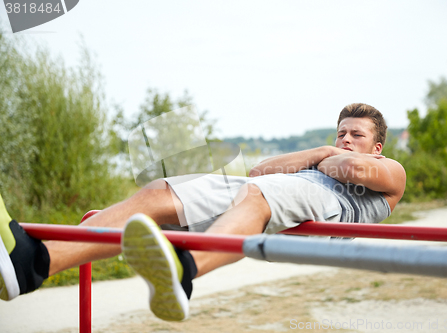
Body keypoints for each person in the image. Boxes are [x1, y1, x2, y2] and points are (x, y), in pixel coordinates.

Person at [0, 103, 406, 321]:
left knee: (255, 199)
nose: (346, 140)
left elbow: (352, 170)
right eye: (341, 133)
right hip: (269, 186)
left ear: (378, 146)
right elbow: (259, 170)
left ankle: (183, 272)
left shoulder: (392, 172)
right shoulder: (323, 154)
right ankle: (31, 263)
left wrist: (326, 157)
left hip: (329, 206)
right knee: (160, 192)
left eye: (357, 135)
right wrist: (320, 151)